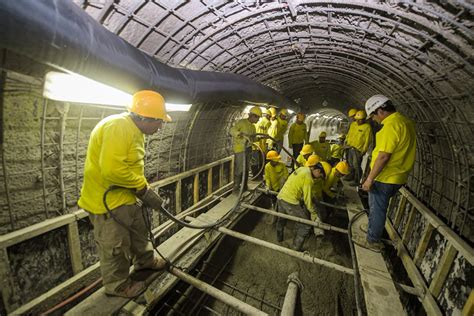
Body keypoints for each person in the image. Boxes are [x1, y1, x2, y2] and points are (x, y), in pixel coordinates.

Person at [78, 90, 171, 298]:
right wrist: (141, 186)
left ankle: (145, 262)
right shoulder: (118, 127)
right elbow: (112, 170)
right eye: (159, 122)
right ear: (145, 118)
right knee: (115, 246)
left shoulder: (135, 130)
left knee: (140, 231)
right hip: (108, 202)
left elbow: (128, 164)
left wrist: (139, 188)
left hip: (126, 197)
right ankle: (118, 285)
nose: (161, 126)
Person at [361, 95, 416, 251]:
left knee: (377, 209)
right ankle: (373, 231)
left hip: (384, 177)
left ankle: (372, 241)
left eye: (373, 115)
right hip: (398, 176)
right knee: (378, 208)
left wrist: (369, 179)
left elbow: (384, 156)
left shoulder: (390, 126)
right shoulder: (405, 122)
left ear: (380, 111)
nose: (373, 119)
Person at [276, 155, 330, 251]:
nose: (319, 178)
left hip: (281, 196)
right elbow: (307, 201)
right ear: (318, 171)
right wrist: (314, 213)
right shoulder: (309, 179)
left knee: (282, 219)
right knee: (305, 225)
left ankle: (279, 239)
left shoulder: (302, 169)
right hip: (290, 201)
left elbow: (296, 185)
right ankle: (296, 248)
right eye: (321, 176)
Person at [230, 106, 262, 192]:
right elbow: (232, 130)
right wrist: (240, 134)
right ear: (253, 116)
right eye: (258, 118)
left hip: (248, 149)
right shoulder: (242, 122)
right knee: (239, 169)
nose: (258, 120)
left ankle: (244, 187)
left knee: (247, 168)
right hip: (240, 150)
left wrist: (261, 138)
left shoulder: (253, 127)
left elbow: (253, 139)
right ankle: (236, 188)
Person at [346, 110, 373, 186]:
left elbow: (368, 140)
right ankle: (351, 176)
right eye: (357, 119)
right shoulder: (353, 125)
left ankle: (357, 180)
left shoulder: (367, 127)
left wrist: (363, 151)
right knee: (350, 164)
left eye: (360, 120)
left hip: (358, 150)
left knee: (356, 165)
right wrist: (346, 141)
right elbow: (349, 134)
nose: (358, 121)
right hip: (350, 147)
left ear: (364, 119)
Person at [252, 108, 271, 177]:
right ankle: (259, 175)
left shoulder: (256, 123)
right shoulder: (267, 122)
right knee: (261, 161)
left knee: (255, 162)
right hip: (261, 145)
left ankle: (256, 176)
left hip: (255, 145)